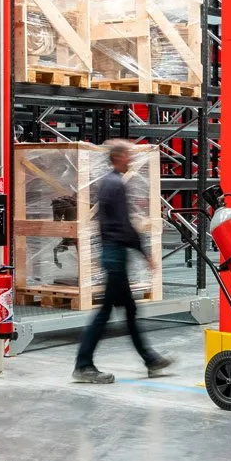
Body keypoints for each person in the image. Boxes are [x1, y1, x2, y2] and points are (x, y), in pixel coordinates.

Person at [73, 140, 171, 384]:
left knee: (129, 310)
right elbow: (123, 226)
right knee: (105, 313)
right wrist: (144, 252)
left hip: (114, 255)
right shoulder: (115, 184)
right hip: (115, 256)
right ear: (117, 157)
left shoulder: (110, 183)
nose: (131, 159)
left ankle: (150, 359)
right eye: (127, 155)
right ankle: (83, 365)